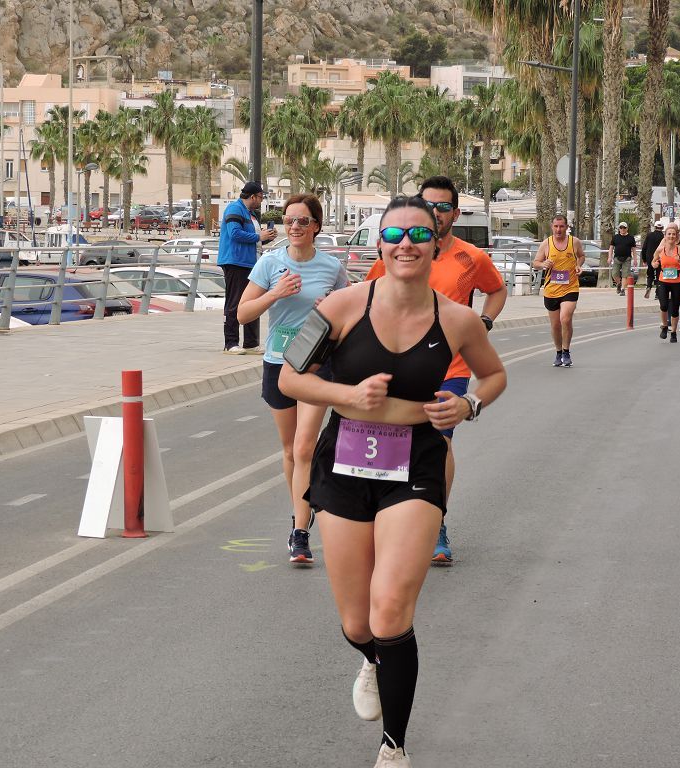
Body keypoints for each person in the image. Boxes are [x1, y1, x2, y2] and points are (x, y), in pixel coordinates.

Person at [279, 196, 506, 768]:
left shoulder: (456, 318)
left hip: (417, 464)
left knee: (390, 612)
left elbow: (495, 374)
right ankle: (374, 659)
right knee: (358, 623)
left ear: (437, 243)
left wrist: (470, 406)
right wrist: (347, 396)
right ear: (379, 244)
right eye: (394, 234)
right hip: (347, 462)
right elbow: (290, 377)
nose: (406, 244)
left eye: (418, 234)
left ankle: (393, 748)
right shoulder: (340, 306)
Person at [364, 176, 506, 566]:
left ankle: (436, 522)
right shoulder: (394, 254)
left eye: (443, 207)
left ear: (455, 214)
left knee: (437, 444)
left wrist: (484, 324)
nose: (436, 212)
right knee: (393, 443)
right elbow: (368, 303)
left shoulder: (471, 258)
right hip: (398, 366)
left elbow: (497, 289)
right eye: (429, 205)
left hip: (450, 368)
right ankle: (390, 518)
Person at [237, 193, 349, 564]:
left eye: (303, 221)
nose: (295, 227)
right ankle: (300, 512)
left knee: (304, 448)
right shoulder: (270, 263)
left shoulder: (331, 267)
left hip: (317, 362)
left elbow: (353, 314)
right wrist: (275, 293)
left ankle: (300, 533)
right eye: (289, 221)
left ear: (316, 226)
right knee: (289, 450)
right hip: (278, 362)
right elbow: (242, 314)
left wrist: (331, 307)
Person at [218, 181, 276, 354]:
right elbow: (234, 233)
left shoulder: (251, 214)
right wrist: (259, 235)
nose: (261, 200)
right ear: (253, 196)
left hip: (251, 262)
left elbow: (252, 238)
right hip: (235, 261)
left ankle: (251, 343)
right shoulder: (234, 209)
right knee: (234, 302)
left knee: (252, 302)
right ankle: (230, 343)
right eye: (260, 197)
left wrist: (266, 237)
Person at [533, 214, 586, 367]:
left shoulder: (574, 242)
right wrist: (543, 264)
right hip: (551, 289)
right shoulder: (546, 244)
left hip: (570, 287)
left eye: (561, 226)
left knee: (565, 319)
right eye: (556, 226)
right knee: (555, 325)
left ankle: (566, 351)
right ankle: (558, 352)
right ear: (552, 227)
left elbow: (581, 256)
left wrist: (578, 265)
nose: (558, 229)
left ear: (567, 227)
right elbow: (535, 262)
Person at [651, 223, 680, 343]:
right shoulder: (660, 250)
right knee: (663, 305)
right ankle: (664, 326)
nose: (671, 236)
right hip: (663, 281)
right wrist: (655, 264)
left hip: (677, 281)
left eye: (674, 234)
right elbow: (653, 262)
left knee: (674, 308)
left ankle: (673, 332)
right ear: (665, 235)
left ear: (677, 236)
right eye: (669, 234)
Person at [608, 221, 637, 294]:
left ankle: (623, 289)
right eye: (621, 228)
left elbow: (634, 249)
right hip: (617, 258)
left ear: (627, 229)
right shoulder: (615, 237)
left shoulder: (631, 238)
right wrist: (609, 257)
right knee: (614, 273)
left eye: (624, 228)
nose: (622, 229)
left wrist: (635, 259)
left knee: (625, 274)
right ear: (619, 229)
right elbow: (611, 248)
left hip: (627, 258)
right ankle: (619, 284)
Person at [641, 221, 665, 298]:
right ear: (662, 228)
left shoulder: (649, 235)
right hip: (660, 258)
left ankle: (648, 286)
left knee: (650, 274)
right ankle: (657, 293)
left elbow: (644, 248)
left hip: (650, 258)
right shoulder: (664, 237)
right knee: (659, 275)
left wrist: (644, 259)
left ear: (655, 227)